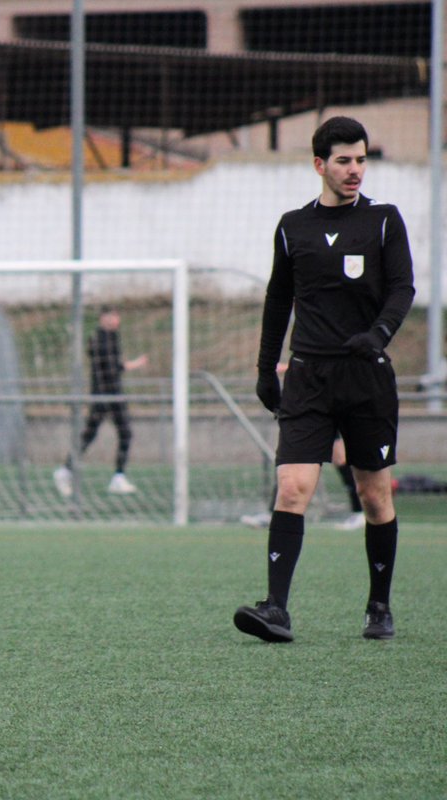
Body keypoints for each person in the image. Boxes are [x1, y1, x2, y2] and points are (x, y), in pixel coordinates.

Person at [234, 116, 414, 643]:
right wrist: (267, 368)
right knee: (292, 487)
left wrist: (378, 334)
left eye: (361, 159)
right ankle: (276, 609)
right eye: (343, 160)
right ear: (320, 165)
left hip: (366, 378)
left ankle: (378, 606)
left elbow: (402, 289)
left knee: (375, 496)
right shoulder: (294, 226)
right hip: (309, 376)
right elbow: (277, 299)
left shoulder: (383, 220)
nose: (354, 169)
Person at [53, 304, 148, 497]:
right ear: (103, 318)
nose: (115, 320)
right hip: (102, 394)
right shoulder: (98, 339)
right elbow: (109, 365)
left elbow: (115, 365)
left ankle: (118, 477)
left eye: (116, 315)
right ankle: (65, 471)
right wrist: (129, 365)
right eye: (111, 316)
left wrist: (130, 365)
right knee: (90, 434)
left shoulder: (113, 337)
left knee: (125, 432)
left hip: (115, 393)